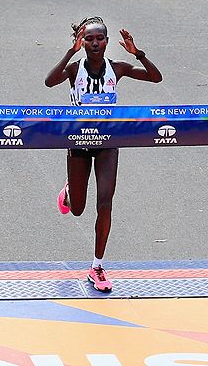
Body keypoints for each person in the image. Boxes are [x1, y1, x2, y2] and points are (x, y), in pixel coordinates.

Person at [44, 17, 162, 293]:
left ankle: (97, 267)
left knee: (105, 203)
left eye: (99, 39)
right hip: (80, 142)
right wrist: (69, 53)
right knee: (77, 210)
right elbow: (50, 82)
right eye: (89, 39)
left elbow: (156, 78)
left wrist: (138, 54)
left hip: (109, 142)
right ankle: (70, 190)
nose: (95, 43)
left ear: (107, 42)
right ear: (82, 42)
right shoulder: (75, 70)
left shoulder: (117, 69)